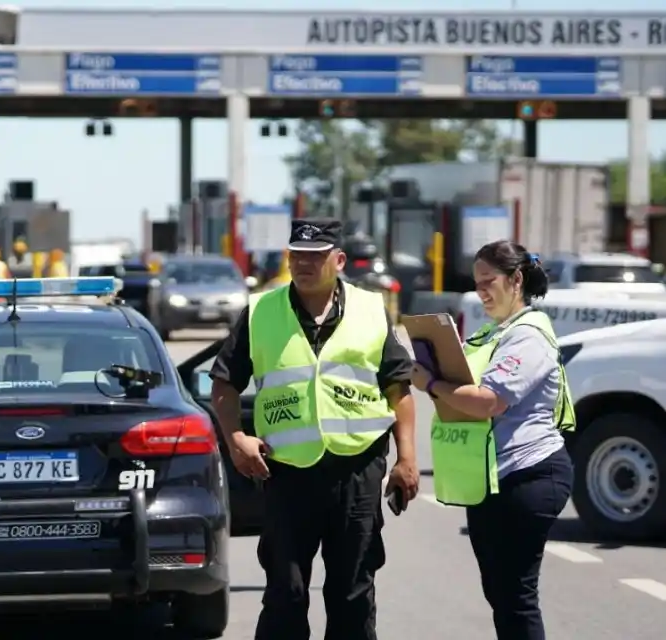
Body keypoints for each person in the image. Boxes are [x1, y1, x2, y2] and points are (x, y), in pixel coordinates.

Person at [210, 218, 418, 640]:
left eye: (315, 257)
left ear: (338, 261)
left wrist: (407, 458)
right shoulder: (261, 311)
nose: (303, 264)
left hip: (357, 471)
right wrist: (235, 439)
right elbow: (224, 384)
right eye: (297, 256)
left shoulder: (370, 309)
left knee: (352, 594)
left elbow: (398, 388)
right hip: (287, 474)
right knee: (285, 594)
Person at [412, 240, 574, 640]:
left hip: (528, 474)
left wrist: (430, 383)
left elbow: (488, 401)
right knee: (500, 594)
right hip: (491, 478)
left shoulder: (529, 335)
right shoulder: (493, 332)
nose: (480, 291)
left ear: (516, 280)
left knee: (515, 596)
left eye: (489, 281)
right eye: (477, 282)